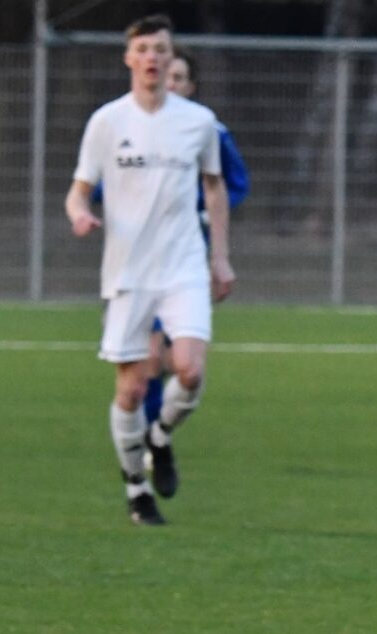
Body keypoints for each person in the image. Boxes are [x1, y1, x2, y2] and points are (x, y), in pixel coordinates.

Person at [65, 14, 235, 525]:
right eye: (143, 48)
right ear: (129, 58)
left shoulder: (198, 121)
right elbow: (78, 189)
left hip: (182, 266)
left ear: (169, 57)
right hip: (128, 273)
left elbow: (214, 187)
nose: (153, 57)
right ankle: (137, 490)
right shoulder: (107, 122)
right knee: (132, 389)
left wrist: (219, 255)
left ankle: (158, 437)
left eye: (161, 48)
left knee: (190, 369)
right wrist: (79, 214)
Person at [138, 49, 250, 427]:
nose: (171, 83)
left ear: (191, 86)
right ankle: (154, 439)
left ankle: (157, 432)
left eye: (179, 77)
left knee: (176, 361)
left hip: (190, 253)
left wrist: (204, 214)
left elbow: (235, 184)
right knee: (153, 356)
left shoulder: (209, 130)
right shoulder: (135, 129)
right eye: (167, 75)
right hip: (143, 255)